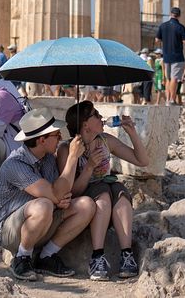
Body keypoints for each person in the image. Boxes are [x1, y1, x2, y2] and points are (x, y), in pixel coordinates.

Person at [0, 109, 95, 281]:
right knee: (44, 205)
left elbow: (61, 193)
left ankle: (46, 257)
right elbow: (55, 195)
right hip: (10, 232)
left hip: (41, 221)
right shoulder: (15, 164)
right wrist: (72, 158)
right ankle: (22, 258)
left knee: (87, 205)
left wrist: (59, 199)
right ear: (42, 140)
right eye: (56, 134)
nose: (60, 138)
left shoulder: (47, 159)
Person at [58, 101, 149, 280]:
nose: (101, 117)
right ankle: (97, 256)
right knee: (104, 196)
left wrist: (132, 133)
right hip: (87, 198)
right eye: (96, 114)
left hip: (107, 188)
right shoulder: (67, 149)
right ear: (85, 124)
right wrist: (89, 167)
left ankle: (126, 254)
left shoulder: (105, 140)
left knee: (121, 194)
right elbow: (71, 191)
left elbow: (142, 161)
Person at [154, 7, 185, 104]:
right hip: (177, 56)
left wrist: (165, 39)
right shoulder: (181, 27)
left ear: (170, 14)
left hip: (166, 56)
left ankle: (168, 99)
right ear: (179, 15)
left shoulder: (163, 26)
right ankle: (172, 99)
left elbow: (157, 40)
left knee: (168, 79)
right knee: (174, 78)